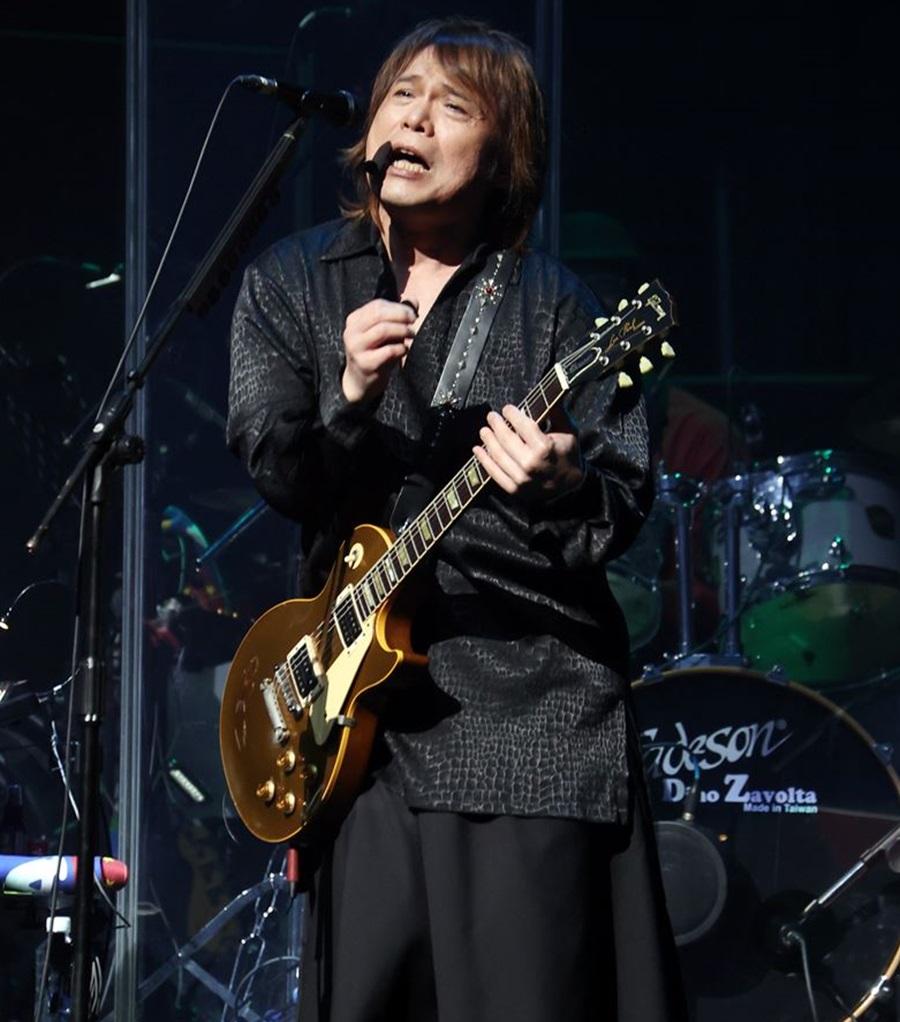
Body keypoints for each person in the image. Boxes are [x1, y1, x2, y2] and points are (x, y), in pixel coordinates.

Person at [227, 17, 686, 1022]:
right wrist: (347, 396)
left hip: (523, 717)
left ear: (503, 150)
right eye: (403, 96)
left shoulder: (555, 304)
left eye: (454, 105)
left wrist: (561, 482)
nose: (417, 119)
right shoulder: (291, 284)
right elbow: (277, 470)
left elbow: (622, 498)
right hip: (355, 733)